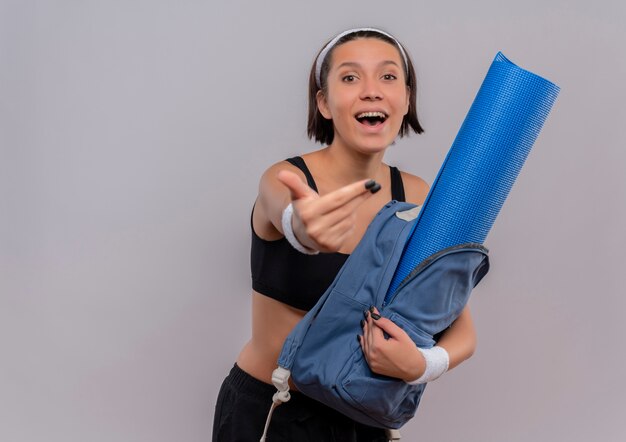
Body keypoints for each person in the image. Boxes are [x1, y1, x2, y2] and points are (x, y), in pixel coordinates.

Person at [212, 28, 477, 442]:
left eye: (388, 77)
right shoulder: (286, 179)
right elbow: (286, 211)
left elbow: (461, 329)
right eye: (350, 78)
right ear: (324, 102)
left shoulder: (418, 196)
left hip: (366, 422)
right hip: (271, 416)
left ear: (406, 100)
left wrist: (421, 365)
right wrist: (302, 228)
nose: (371, 91)